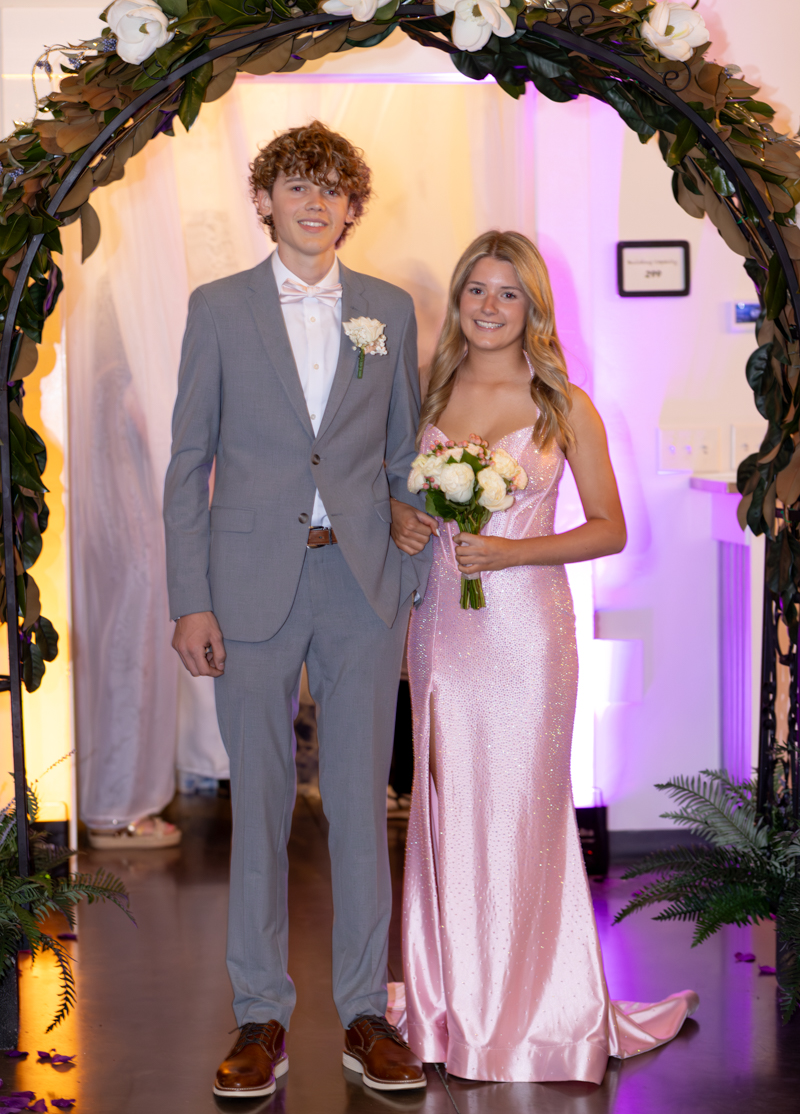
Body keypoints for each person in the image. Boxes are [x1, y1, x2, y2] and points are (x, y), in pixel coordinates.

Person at [391, 230, 699, 1084]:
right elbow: (392, 493)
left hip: (527, 634)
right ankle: (450, 1005)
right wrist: (402, 519)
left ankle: (532, 1012)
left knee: (522, 812)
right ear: (458, 300)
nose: (489, 307)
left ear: (533, 307)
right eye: (476, 290)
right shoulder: (428, 389)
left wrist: (513, 552)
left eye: (508, 293)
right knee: (447, 806)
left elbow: (611, 527)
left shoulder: (563, 403)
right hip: (443, 627)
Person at [163, 122, 432, 1098]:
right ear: (264, 201)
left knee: (362, 808)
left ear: (352, 205)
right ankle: (259, 1017)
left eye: (330, 188)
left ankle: (367, 1015)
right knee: (262, 808)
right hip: (246, 587)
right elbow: (188, 465)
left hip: (361, 587)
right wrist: (189, 601)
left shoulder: (389, 310)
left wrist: (408, 549)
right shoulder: (217, 308)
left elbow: (403, 452)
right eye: (295, 185)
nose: (314, 202)